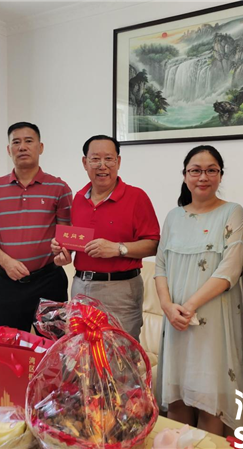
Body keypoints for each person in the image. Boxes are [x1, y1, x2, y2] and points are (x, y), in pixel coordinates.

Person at [154, 145, 243, 436]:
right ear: (185, 175)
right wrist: (168, 307)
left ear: (220, 175)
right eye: (195, 170)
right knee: (177, 400)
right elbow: (160, 266)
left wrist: (188, 306)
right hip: (176, 321)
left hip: (213, 324)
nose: (203, 177)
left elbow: (230, 269)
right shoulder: (174, 216)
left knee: (211, 402)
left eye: (211, 170)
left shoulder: (232, 213)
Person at [52, 135, 160, 340]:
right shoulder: (78, 199)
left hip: (121, 290)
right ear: (85, 163)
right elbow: (76, 243)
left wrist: (118, 248)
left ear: (118, 162)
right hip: (81, 285)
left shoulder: (137, 197)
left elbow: (153, 244)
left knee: (121, 352)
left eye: (109, 159)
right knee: (82, 352)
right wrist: (62, 253)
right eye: (95, 159)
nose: (102, 165)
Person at [0, 122, 72, 332]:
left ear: (41, 147)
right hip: (8, 282)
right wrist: (5, 261)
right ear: (8, 149)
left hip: (49, 281)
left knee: (52, 345)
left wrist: (64, 253)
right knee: (8, 346)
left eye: (29, 141)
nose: (22, 147)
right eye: (16, 142)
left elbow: (66, 234)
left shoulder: (59, 188)